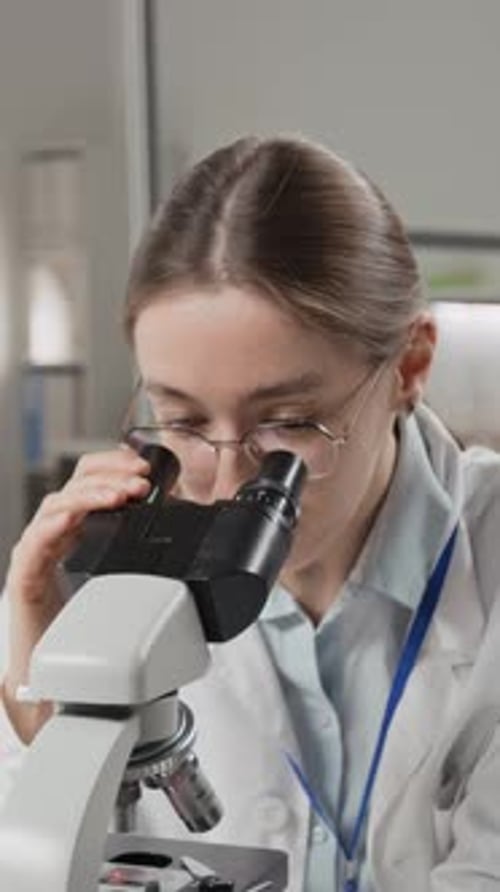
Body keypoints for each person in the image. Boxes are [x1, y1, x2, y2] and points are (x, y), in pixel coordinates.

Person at [1, 135, 500, 892]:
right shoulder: (116, 585)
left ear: (408, 367)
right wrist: (50, 704)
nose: (232, 480)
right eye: (185, 422)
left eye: (290, 423)